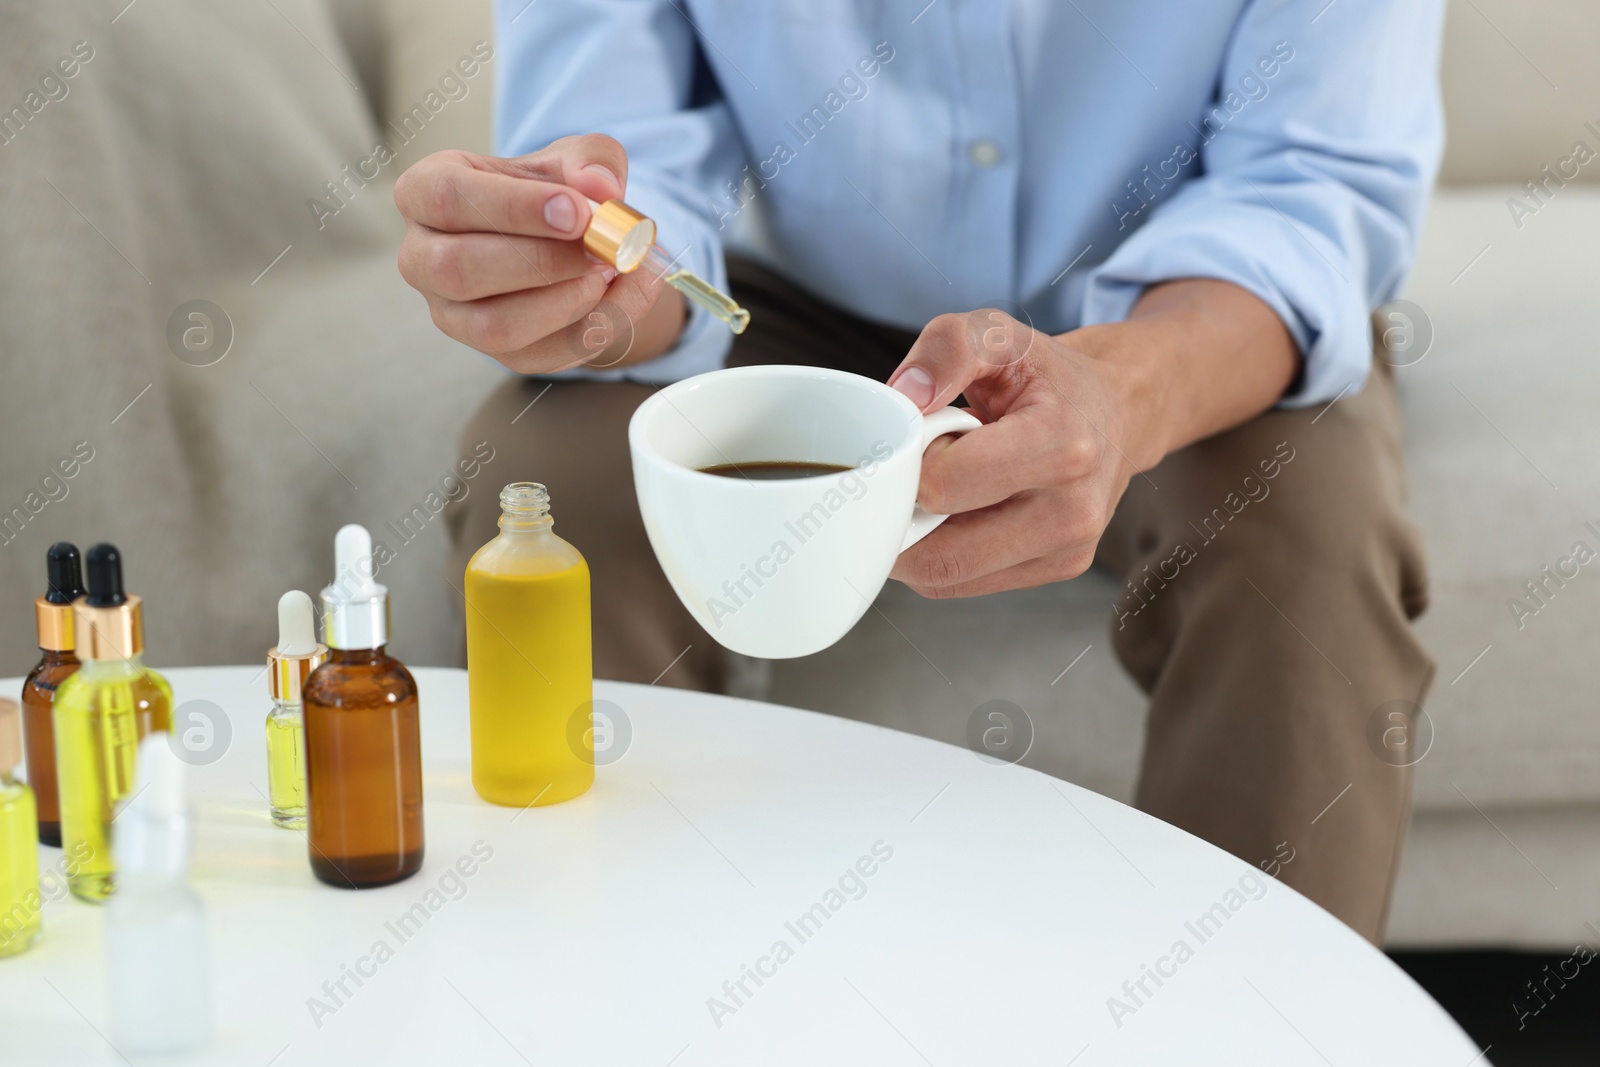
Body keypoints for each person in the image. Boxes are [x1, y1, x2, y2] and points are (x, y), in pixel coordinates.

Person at [394, 1, 1445, 944]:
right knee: (552, 497)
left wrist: (1123, 395)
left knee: (1300, 549)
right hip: (783, 304)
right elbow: (629, 173)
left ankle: (1254, 1024)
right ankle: (602, 992)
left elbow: (1311, 186)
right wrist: (590, 290)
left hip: (1190, 309)